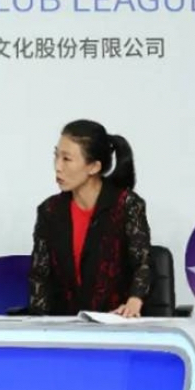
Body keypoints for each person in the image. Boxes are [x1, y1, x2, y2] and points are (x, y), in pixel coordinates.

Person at [28, 119, 152, 317]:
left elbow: (143, 264)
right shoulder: (49, 210)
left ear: (93, 167)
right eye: (56, 156)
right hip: (65, 325)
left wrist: (134, 301)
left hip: (116, 321)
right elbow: (40, 276)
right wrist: (40, 324)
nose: (58, 166)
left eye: (66, 159)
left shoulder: (126, 205)